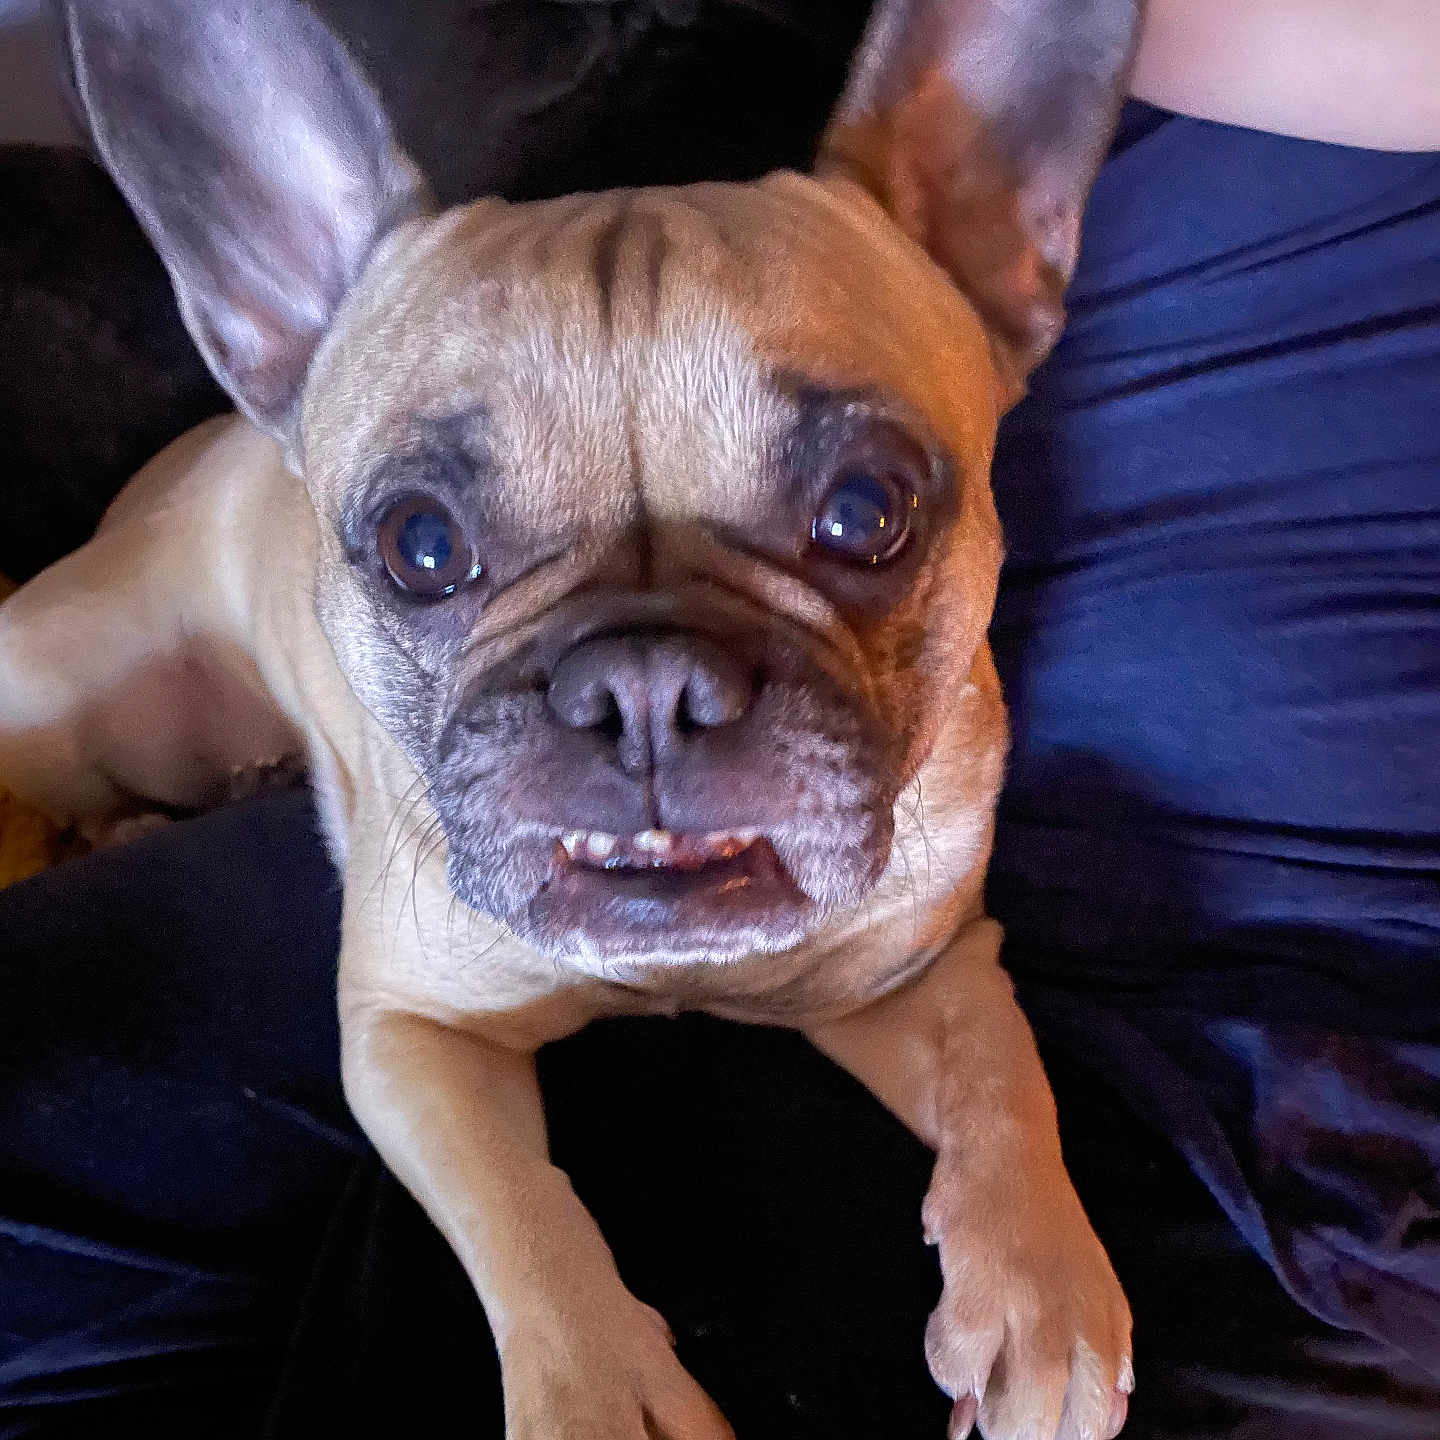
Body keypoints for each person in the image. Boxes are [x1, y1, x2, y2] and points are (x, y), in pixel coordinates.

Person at [1, 3, 1437, 1435]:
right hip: (201, 575)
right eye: (431, 548)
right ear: (267, 325)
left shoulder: (940, 726)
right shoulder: (311, 413)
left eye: (853, 515)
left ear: (1005, 260)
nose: (652, 704)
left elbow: (918, 964)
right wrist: (553, 1309)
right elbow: (416, 1018)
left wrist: (1016, 1170)